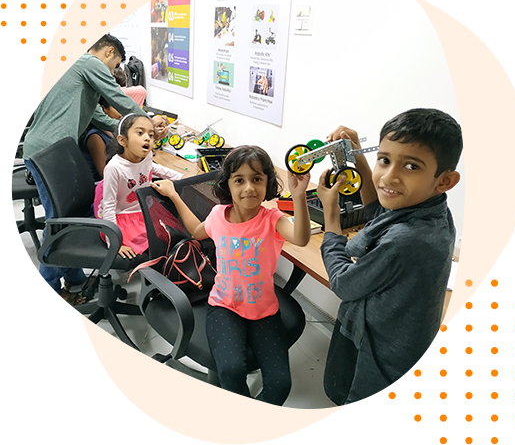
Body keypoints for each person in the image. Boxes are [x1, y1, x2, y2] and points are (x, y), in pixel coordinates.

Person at [316, 108, 463, 417]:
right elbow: (380, 212)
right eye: (384, 160)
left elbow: (343, 282)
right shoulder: (433, 210)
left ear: (445, 180)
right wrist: (355, 152)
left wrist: (331, 216)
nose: (389, 176)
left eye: (411, 165)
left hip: (381, 369)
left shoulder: (407, 240)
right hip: (398, 349)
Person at [153, 146, 312, 405]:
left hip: (265, 311)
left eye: (257, 179)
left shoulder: (273, 219)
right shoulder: (218, 216)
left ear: (267, 183)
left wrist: (299, 197)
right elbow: (195, 230)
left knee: (281, 384)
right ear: (228, 184)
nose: (249, 187)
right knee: (230, 371)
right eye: (239, 180)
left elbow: (302, 238)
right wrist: (173, 194)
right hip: (224, 307)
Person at [24, 34, 147, 309]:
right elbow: (116, 96)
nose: (114, 71)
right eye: (115, 65)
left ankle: (75, 281)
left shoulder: (76, 68)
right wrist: (145, 122)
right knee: (58, 222)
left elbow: (99, 117)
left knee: (70, 217)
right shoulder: (88, 61)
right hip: (48, 153)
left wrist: (129, 130)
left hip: (55, 150)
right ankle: (46, 291)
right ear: (110, 52)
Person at [95, 114, 183, 259]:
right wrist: (115, 242)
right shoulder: (114, 168)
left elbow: (154, 168)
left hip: (144, 210)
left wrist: (180, 177)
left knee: (171, 236)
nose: (148, 138)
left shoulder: (146, 157)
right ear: (123, 140)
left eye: (151, 134)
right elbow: (109, 207)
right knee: (154, 245)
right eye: (140, 133)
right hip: (122, 218)